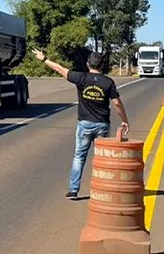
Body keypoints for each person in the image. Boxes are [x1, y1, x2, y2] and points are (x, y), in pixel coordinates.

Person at [31, 48, 130, 199]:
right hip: (102, 125)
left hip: (84, 124)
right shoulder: (108, 82)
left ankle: (73, 190)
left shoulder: (81, 78)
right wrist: (124, 120)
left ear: (88, 64)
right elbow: (116, 103)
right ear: (102, 66)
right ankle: (102, 190)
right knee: (101, 158)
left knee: (79, 156)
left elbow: (59, 69)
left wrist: (44, 59)